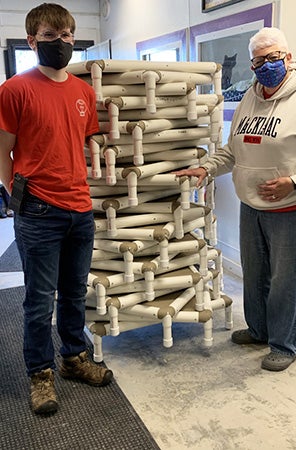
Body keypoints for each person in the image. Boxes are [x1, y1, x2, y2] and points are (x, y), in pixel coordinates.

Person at [0, 3, 113, 415]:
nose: (62, 42)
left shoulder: (84, 92)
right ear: (32, 41)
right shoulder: (14, 89)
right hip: (39, 212)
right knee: (38, 299)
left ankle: (73, 358)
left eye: (67, 35)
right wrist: (15, 197)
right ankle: (40, 374)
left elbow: (81, 144)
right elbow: (4, 152)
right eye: (51, 36)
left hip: (80, 207)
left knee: (73, 292)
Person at [173, 27, 296, 372]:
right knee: (255, 274)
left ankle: (285, 344)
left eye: (274, 58)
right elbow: (234, 150)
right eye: (259, 60)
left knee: (285, 280)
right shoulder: (249, 96)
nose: (266, 65)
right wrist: (206, 168)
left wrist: (293, 182)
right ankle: (259, 330)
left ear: (288, 58)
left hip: (290, 209)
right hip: (251, 205)